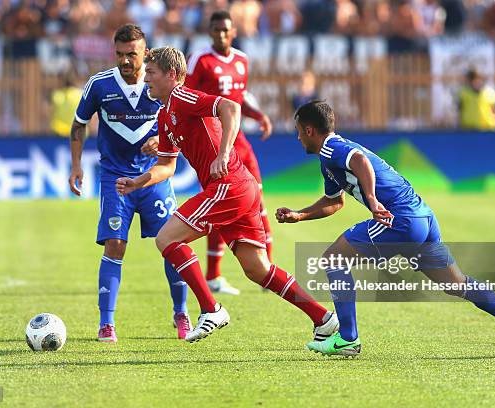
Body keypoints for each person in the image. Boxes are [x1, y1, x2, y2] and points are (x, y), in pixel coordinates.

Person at [276, 100, 495, 357]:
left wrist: (372, 199)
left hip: (399, 219)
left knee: (333, 259)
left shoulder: (332, 148)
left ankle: (347, 339)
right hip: (422, 218)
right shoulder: (330, 159)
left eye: (298, 132)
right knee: (457, 283)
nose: (298, 138)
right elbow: (334, 202)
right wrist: (299, 215)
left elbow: (360, 161)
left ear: (309, 130)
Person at [115, 47, 339, 344]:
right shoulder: (166, 115)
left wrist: (222, 154)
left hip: (228, 185)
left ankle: (211, 309)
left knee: (167, 238)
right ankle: (323, 318)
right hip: (239, 188)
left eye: (152, 73)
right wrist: (138, 182)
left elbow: (230, 108)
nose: (146, 79)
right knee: (258, 269)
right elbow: (167, 166)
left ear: (172, 75)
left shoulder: (183, 96)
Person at [69, 24, 191, 343]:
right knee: (115, 245)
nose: (125, 61)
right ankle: (106, 323)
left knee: (173, 244)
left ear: (145, 53)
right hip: (117, 178)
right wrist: (76, 165)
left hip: (153, 178)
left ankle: (182, 314)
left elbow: (180, 123)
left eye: (132, 55)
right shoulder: (99, 85)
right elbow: (78, 125)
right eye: (120, 54)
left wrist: (161, 141)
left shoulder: (159, 84)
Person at [185, 10, 273, 295]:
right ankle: (213, 276)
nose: (220, 34)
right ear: (209, 32)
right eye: (215, 30)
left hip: (240, 141)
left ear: (233, 31)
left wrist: (258, 115)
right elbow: (186, 97)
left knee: (258, 200)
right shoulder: (201, 60)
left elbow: (238, 99)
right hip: (215, 143)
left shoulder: (242, 60)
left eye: (225, 30)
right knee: (220, 209)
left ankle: (268, 268)